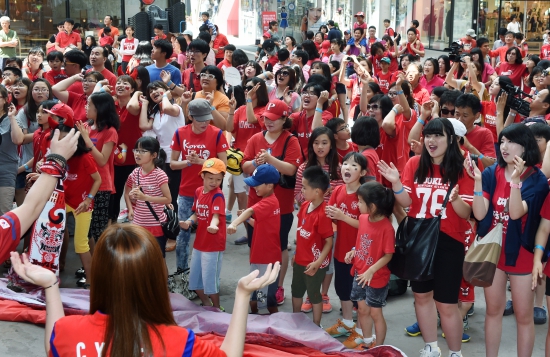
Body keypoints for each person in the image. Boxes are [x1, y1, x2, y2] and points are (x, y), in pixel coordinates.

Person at [10, 221, 279, 357]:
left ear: (100, 276)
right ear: (154, 279)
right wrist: (242, 296)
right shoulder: (177, 341)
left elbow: (53, 342)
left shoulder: (67, 333)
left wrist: (51, 285)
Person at [378, 117, 474, 357]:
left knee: (446, 303)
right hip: (419, 238)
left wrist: (456, 200)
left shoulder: (463, 168)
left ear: (451, 139)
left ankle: (455, 352)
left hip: (449, 241)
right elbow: (408, 202)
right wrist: (397, 183)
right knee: (421, 296)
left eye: (438, 135)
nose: (432, 140)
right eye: (428, 135)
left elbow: (467, 214)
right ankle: (431, 346)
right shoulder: (414, 163)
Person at [468, 124, 548, 357]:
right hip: (493, 251)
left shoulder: (536, 179)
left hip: (522, 255)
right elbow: (481, 214)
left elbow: (515, 213)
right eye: (501, 141)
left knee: (524, 316)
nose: (503, 146)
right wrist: (477, 183)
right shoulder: (491, 173)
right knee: (494, 310)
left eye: (510, 141)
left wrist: (514, 182)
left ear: (524, 146)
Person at [242, 99, 302, 306]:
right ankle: (257, 285)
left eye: (274, 119)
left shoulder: (290, 140)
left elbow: (292, 169)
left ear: (285, 119)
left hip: (281, 205)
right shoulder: (255, 138)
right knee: (255, 245)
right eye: (266, 118)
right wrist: (254, 163)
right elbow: (244, 167)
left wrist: (269, 160)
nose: (269, 122)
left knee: (280, 247)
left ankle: (277, 285)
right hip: (254, 203)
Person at [170, 99, 228, 273]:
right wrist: (188, 162)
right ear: (190, 116)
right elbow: (172, 164)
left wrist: (202, 162)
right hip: (187, 192)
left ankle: (206, 272)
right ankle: (182, 272)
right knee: (182, 235)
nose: (205, 122)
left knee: (209, 235)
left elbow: (223, 165)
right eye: (200, 119)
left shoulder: (217, 133)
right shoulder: (180, 133)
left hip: (211, 193)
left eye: (207, 118)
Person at [344, 180, 395, 348]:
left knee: (375, 313)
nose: (357, 204)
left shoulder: (387, 228)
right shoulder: (363, 219)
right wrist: (353, 251)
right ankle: (367, 342)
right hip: (360, 273)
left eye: (359, 201)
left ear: (372, 206)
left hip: (376, 277)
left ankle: (379, 347)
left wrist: (372, 270)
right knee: (362, 310)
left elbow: (388, 255)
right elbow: (363, 242)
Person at [324, 152, 367, 348]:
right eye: (346, 164)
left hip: (360, 253)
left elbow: (367, 225)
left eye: (354, 166)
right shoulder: (338, 190)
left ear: (363, 172)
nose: (347, 168)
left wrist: (342, 217)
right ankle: (348, 323)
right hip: (341, 250)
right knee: (342, 288)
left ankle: (361, 332)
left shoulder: (364, 195)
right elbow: (331, 216)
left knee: (359, 294)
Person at [227, 164, 282, 314]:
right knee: (254, 298)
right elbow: (259, 223)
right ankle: (259, 321)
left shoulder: (269, 201)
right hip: (259, 256)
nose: (254, 187)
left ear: (270, 185)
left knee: (266, 300)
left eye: (257, 184)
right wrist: (245, 218)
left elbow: (251, 210)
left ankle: (274, 326)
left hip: (267, 260)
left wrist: (234, 223)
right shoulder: (269, 201)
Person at [179, 158, 227, 310]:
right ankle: (206, 304)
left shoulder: (218, 195)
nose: (214, 182)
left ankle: (217, 308)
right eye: (210, 178)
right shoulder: (199, 192)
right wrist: (189, 222)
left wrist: (213, 225)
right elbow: (196, 214)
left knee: (210, 281)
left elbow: (216, 216)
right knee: (195, 280)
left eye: (218, 179)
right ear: (202, 176)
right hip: (200, 243)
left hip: (213, 244)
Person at [75, 92, 119, 253]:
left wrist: (87, 140)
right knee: (85, 230)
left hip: (101, 186)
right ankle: (91, 263)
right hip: (84, 183)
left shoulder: (110, 131)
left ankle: (101, 263)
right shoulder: (86, 126)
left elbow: (102, 160)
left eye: (89, 104)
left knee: (97, 229)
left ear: (99, 108)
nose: (86, 107)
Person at [292, 165, 334, 326]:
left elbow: (329, 242)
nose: (302, 190)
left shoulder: (323, 214)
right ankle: (295, 320)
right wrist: (296, 254)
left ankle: (316, 324)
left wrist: (317, 263)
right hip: (300, 260)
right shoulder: (304, 206)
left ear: (317, 191)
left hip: (315, 263)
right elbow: (300, 234)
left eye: (304, 187)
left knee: (314, 294)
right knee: (296, 291)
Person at [139, 80, 185, 216]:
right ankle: (162, 224)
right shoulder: (155, 114)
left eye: (156, 89)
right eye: (150, 91)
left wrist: (166, 95)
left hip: (175, 157)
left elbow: (167, 108)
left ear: (165, 90)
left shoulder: (176, 108)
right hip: (160, 158)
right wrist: (145, 104)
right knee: (161, 193)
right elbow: (143, 125)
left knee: (171, 195)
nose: (153, 92)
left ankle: (172, 229)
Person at [125, 136, 171, 261]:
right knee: (140, 260)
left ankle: (161, 281)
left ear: (153, 155)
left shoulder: (159, 175)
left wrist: (145, 197)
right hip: (138, 224)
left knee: (157, 260)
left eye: (143, 151)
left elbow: (168, 199)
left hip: (155, 225)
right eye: (136, 150)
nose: (137, 154)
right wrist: (132, 197)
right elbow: (132, 196)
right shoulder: (135, 173)